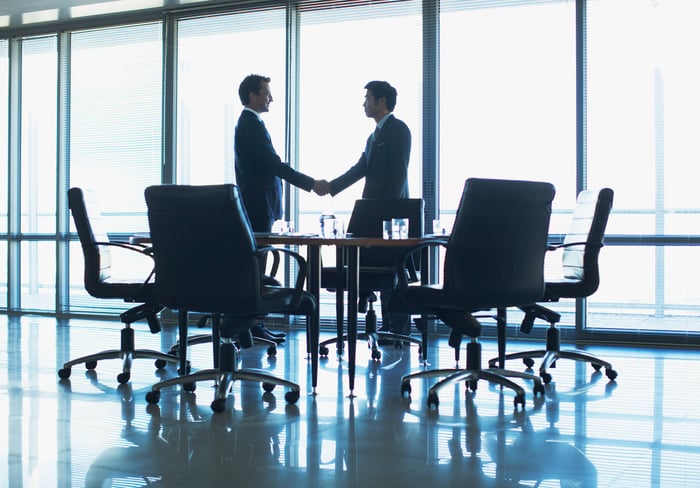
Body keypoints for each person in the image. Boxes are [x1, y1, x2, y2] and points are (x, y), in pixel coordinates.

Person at [315, 80, 412, 336]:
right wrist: (330, 187)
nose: (364, 103)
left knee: (392, 270)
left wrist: (383, 212)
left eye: (368, 98)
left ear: (381, 101)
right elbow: (361, 168)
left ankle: (398, 329)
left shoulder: (399, 130)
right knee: (380, 269)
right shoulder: (374, 136)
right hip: (375, 214)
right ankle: (388, 324)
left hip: (391, 216)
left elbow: (398, 175)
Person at [234, 73, 326, 344]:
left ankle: (253, 325)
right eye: (266, 92)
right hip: (258, 207)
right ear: (252, 95)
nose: (271, 98)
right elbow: (274, 165)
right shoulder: (250, 124)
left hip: (260, 206)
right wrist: (311, 184)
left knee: (257, 269)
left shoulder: (251, 123)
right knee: (256, 269)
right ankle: (250, 325)